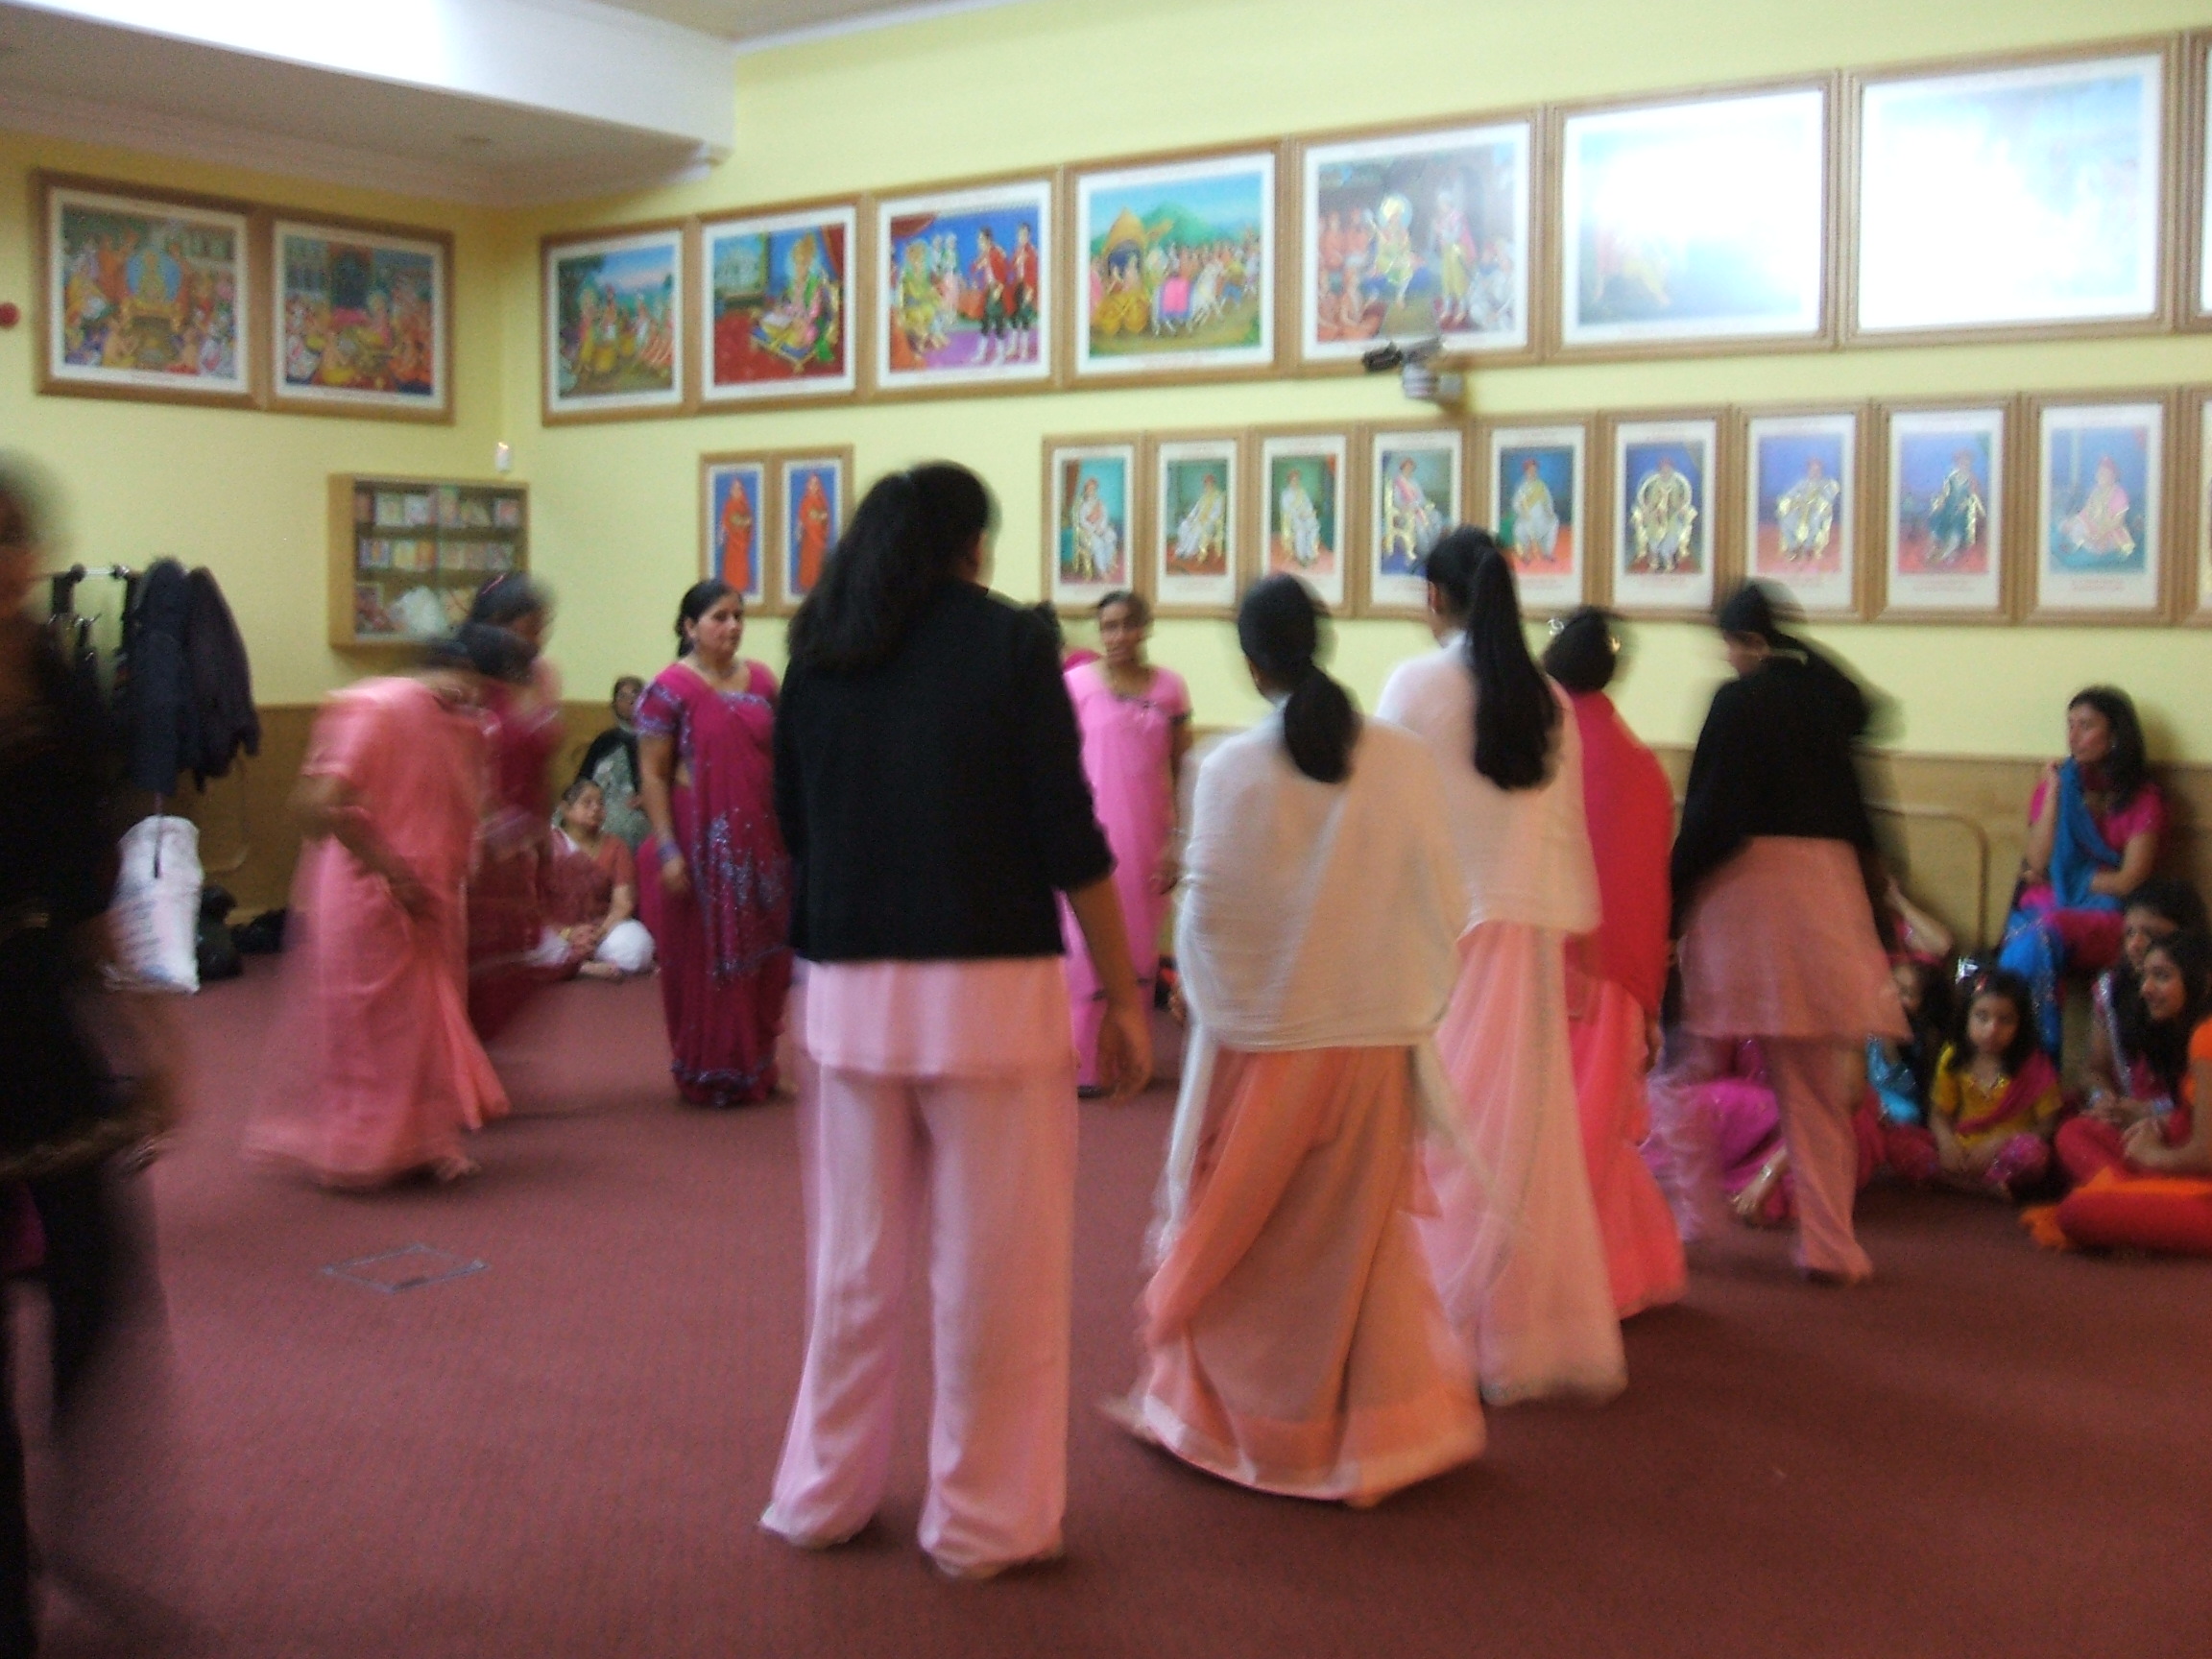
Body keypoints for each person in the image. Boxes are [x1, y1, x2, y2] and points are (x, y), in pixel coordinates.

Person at [761, 463, 1151, 1580]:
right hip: (986, 993)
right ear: (969, 545)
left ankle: (822, 1494)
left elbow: (795, 822)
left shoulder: (817, 654)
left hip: (845, 988)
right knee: (996, 1273)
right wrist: (1122, 998)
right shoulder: (1011, 644)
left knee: (853, 1263)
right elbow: (1066, 834)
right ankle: (985, 1520)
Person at [1118, 573, 1481, 1504]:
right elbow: (1444, 895)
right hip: (1372, 1041)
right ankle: (1364, 1432)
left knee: (1260, 1242)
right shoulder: (1400, 759)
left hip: (1267, 1046)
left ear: (1250, 661)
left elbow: (1210, 929)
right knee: (1354, 1245)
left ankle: (1257, 1424)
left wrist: (1222, 995)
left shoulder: (1230, 769)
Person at [1, 461, 183, 1655]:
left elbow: (92, 879)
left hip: (38, 1015)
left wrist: (155, 1032)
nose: (15, 571)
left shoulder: (52, 672)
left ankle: (46, 1514)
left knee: (100, 1281)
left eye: (19, 546)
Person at [1377, 532, 1623, 1404]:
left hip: (1439, 933)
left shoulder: (1415, 687)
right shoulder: (1551, 698)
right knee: (1518, 1131)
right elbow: (1562, 836)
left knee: (1436, 1127)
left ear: (1436, 598)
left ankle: (1429, 1324)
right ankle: (1515, 1332)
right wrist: (1576, 943)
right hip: (1521, 936)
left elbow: (1386, 813)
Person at [1651, 583, 1905, 1285]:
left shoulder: (1738, 701)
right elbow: (1867, 804)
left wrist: (1670, 902)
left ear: (1746, 643)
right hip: (1828, 892)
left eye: (1730, 644)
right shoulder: (1828, 702)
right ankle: (1831, 1245)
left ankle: (1695, 1218)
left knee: (1684, 1060)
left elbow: (1708, 813)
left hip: (1744, 891)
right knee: (1814, 1082)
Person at [249, 624, 516, 1188]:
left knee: (424, 1024)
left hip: (436, 891)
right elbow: (315, 806)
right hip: (369, 889)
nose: (477, 700)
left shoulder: (467, 725)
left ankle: (420, 1140)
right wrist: (391, 869)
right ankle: (360, 1145)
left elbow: (466, 807)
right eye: (473, 684)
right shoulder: (378, 709)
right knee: (369, 1023)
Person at [1540, 609, 1686, 1318]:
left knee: (1543, 1136)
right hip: (1615, 975)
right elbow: (1645, 889)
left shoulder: (1531, 747)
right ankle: (1621, 1272)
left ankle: (1562, 1282)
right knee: (1593, 1134)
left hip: (1537, 965)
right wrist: (1649, 997)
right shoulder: (1640, 766)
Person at [636, 581, 791, 1108]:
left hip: (761, 836)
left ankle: (756, 1063)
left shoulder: (764, 681)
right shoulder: (668, 690)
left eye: (738, 616)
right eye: (719, 617)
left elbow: (781, 757)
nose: (732, 626)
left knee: (763, 951)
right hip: (699, 839)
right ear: (689, 627)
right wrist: (667, 849)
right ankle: (711, 1070)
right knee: (706, 954)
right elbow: (653, 775)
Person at [1061, 590, 1190, 1094]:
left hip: (1147, 836)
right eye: (1107, 627)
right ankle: (1082, 1061)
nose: (1116, 637)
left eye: (1126, 626)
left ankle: (1126, 1062)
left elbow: (1180, 770)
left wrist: (1177, 839)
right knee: (1081, 944)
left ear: (1144, 628)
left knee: (1136, 947)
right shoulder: (1074, 686)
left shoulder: (1170, 689)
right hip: (1090, 833)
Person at [1996, 686, 2165, 1056]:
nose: (2073, 737)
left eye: (2085, 726)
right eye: (2069, 725)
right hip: (2052, 902)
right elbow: (2038, 862)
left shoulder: (2142, 797)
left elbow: (2130, 881)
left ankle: (2033, 1061)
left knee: (2040, 934)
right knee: (2024, 933)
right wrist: (2055, 791)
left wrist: (2067, 878)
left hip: (2108, 912)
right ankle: (2021, 1065)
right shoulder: (2061, 784)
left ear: (2116, 734)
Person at [2042, 932, 2212, 1255]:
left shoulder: (2207, 1036)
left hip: (2201, 1184)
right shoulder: (2188, 1031)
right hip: (2183, 1167)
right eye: (2144, 976)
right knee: (2075, 1131)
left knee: (2076, 1213)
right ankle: (2131, 1199)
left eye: (2161, 976)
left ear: (2202, 981)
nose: (2146, 988)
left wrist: (2154, 1156)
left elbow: (2207, 1156)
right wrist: (2159, 1125)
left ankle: (2125, 1199)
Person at [463, 573, 565, 1038]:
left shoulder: (543, 676)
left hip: (525, 833)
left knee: (516, 963)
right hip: (476, 831)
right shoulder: (472, 677)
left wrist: (545, 835)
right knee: (468, 954)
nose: (537, 640)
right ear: (498, 625)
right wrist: (489, 823)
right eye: (528, 628)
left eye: (542, 628)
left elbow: (546, 759)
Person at [1886, 971, 2059, 1200]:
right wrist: (1947, 1144)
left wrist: (1999, 1143)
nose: (1992, 1030)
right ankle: (1979, 1188)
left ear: (2021, 1024)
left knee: (2032, 1154)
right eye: (1981, 1017)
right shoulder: (1954, 1056)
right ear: (1966, 1017)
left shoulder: (2034, 1065)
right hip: (1962, 1149)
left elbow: (2047, 1125)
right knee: (1899, 1140)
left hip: (2006, 1152)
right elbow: (1939, 1114)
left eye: (2005, 1020)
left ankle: (1960, 1184)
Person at [2080, 879, 2211, 1134]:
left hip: (2188, 1124)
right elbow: (2095, 1069)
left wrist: (2152, 1112)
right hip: (2128, 1121)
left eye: (2151, 934)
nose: (2135, 945)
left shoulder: (2202, 1004)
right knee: (2075, 1133)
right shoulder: (2112, 990)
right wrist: (2104, 1100)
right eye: (2129, 933)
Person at [537, 780, 655, 980]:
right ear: (565, 808)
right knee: (525, 948)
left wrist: (598, 933)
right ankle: (582, 966)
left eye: (600, 803)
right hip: (558, 933)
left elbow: (623, 903)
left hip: (601, 930)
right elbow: (534, 904)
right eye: (587, 802)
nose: (596, 809)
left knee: (638, 949)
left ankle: (578, 960)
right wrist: (567, 933)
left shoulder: (615, 847)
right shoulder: (546, 846)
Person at [575, 676, 650, 851]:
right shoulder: (605, 740)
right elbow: (584, 778)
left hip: (636, 807)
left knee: (619, 827)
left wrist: (646, 797)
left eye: (634, 696)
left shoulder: (653, 740)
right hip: (599, 799)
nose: (628, 702)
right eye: (622, 697)